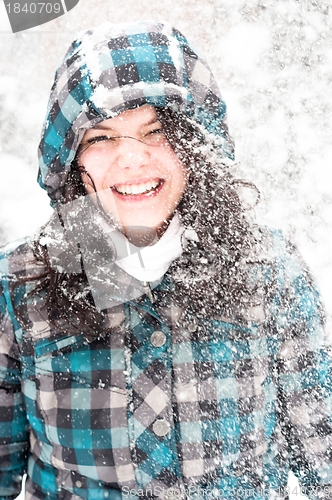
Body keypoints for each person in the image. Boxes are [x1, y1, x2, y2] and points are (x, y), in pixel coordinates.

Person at [0, 20, 331, 500]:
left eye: (155, 131)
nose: (132, 160)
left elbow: (323, 449)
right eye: (101, 138)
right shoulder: (19, 286)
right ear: (72, 161)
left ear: (194, 145)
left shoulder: (268, 270)